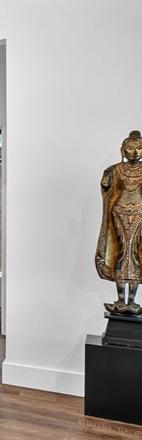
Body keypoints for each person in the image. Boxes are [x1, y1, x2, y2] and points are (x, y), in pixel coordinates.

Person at [97, 131, 142, 314]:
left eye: (139, 149)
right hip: (119, 211)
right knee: (122, 252)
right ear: (123, 150)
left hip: (140, 212)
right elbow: (107, 189)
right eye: (130, 149)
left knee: (136, 252)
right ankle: (121, 299)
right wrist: (105, 183)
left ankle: (132, 301)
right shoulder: (115, 169)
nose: (135, 153)